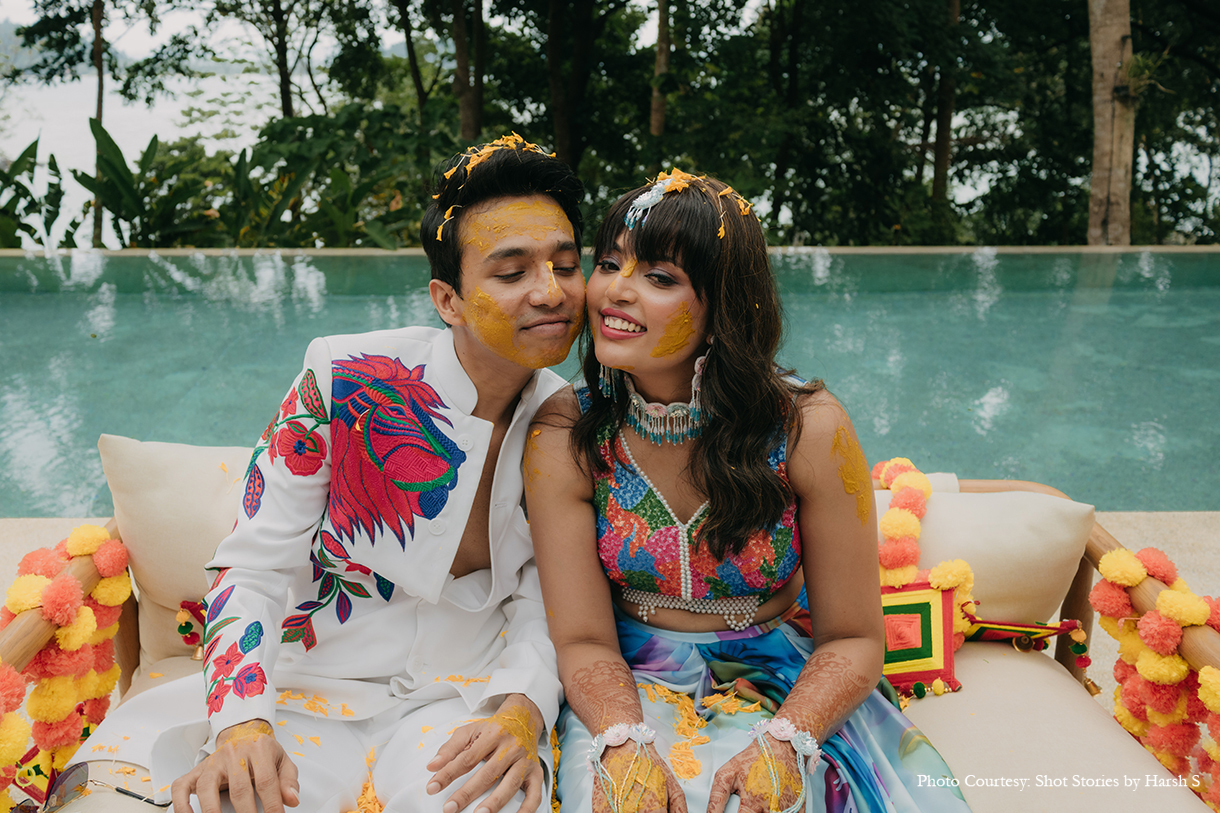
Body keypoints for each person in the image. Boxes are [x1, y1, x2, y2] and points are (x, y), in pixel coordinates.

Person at [71, 134, 587, 813]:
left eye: (566, 265)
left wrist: (522, 703)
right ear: (448, 299)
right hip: (304, 690)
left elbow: (549, 593)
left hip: (467, 698)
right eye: (512, 272)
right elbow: (252, 565)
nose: (551, 292)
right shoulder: (344, 379)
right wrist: (241, 722)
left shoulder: (570, 419)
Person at [524, 170, 971, 813]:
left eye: (660, 277)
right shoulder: (567, 433)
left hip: (783, 682)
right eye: (610, 264)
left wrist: (786, 741)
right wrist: (621, 740)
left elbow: (853, 638)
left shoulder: (808, 428)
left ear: (723, 308)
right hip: (622, 685)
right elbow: (583, 640)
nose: (615, 291)